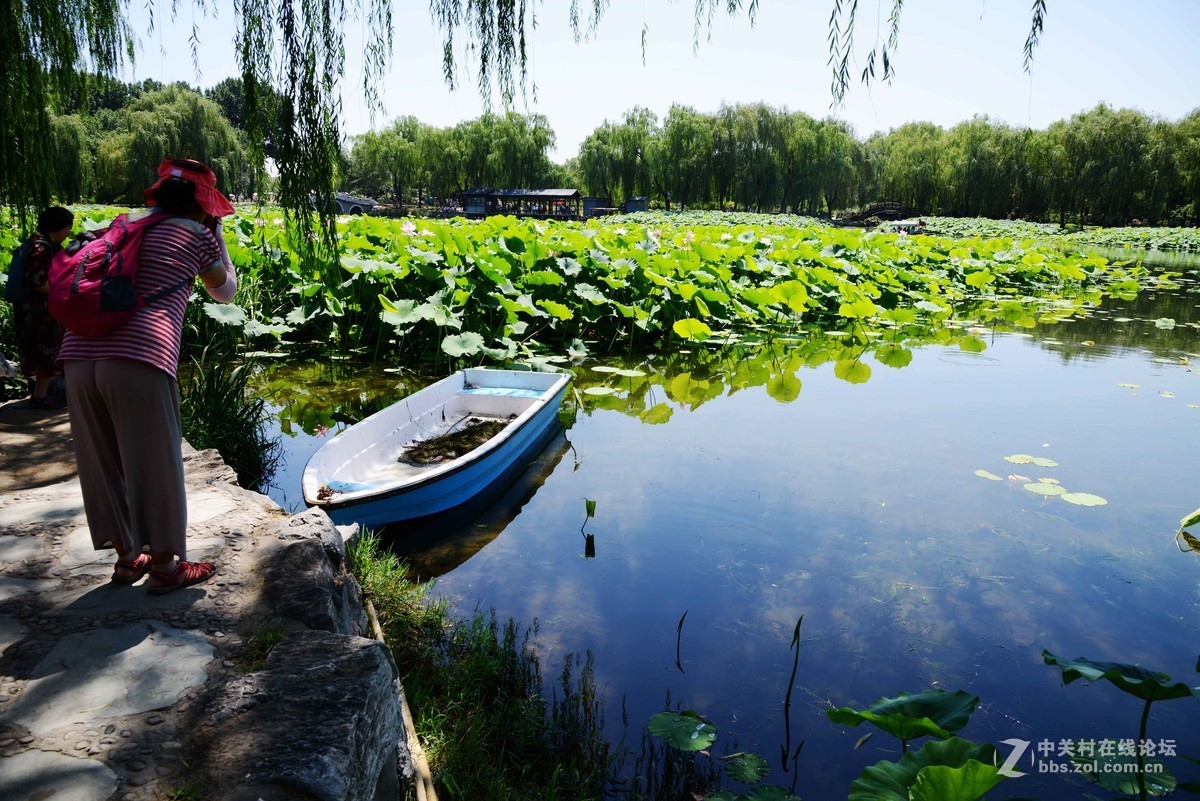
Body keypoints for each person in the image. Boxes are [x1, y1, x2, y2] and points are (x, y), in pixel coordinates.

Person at [58, 158, 238, 594]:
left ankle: (126, 560)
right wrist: (216, 237)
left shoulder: (121, 225)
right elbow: (225, 291)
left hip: (78, 356)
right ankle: (166, 567)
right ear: (204, 204)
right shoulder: (196, 234)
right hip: (139, 357)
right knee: (156, 461)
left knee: (101, 462)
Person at [12, 206, 73, 410]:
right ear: (60, 227)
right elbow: (36, 281)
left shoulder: (35, 241)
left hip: (32, 308)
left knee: (43, 350)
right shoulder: (42, 247)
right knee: (46, 349)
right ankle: (39, 397)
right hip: (38, 311)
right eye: (68, 227)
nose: (69, 232)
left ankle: (41, 394)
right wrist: (64, 291)